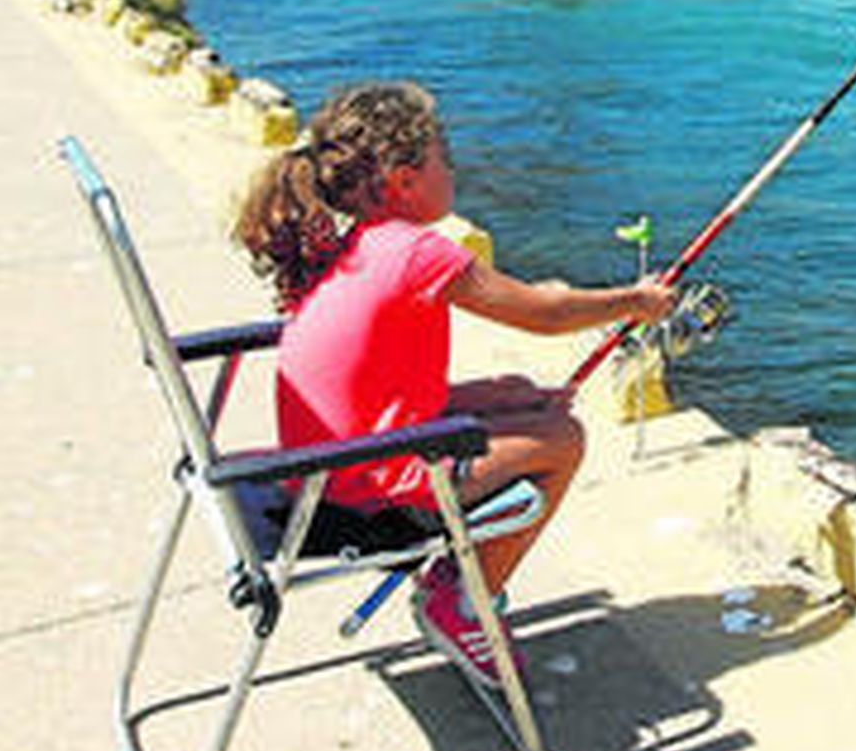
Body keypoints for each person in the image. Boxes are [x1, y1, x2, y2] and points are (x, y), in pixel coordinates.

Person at [234, 81, 675, 686]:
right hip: (368, 490)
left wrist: (500, 395)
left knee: (515, 390)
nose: (454, 172)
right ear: (404, 180)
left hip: (329, 467)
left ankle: (455, 580)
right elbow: (543, 312)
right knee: (563, 439)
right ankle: (466, 602)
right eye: (447, 160)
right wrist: (637, 302)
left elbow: (382, 395)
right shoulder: (418, 253)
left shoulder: (356, 246)